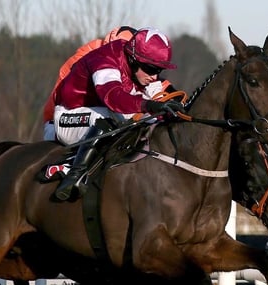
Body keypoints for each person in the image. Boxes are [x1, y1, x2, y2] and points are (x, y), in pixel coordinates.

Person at [51, 27, 184, 201]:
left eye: (158, 70)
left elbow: (161, 92)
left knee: (147, 121)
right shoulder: (106, 59)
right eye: (151, 69)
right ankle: (74, 176)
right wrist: (150, 105)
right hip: (69, 116)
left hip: (99, 113)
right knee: (114, 118)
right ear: (133, 59)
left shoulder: (141, 70)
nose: (154, 76)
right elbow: (113, 98)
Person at [42, 26, 138, 141]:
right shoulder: (91, 57)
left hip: (91, 113)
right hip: (60, 120)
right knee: (107, 123)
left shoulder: (128, 64)